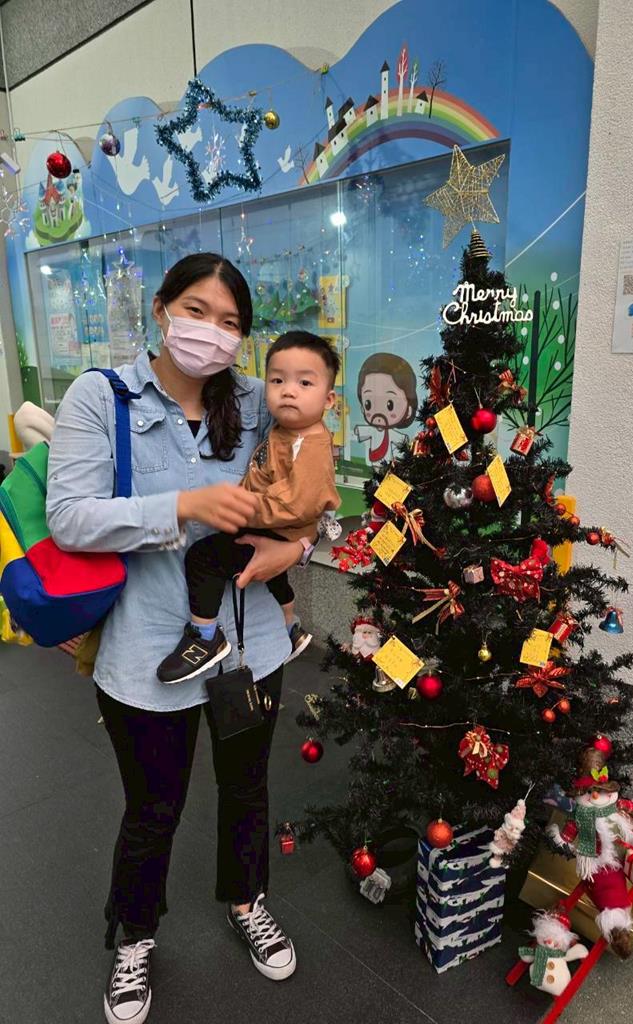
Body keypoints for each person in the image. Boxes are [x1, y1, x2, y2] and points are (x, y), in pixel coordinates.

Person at [47, 253, 314, 1024]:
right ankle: (135, 936)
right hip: (146, 653)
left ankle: (247, 899)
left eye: (230, 323)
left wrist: (298, 547)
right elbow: (71, 517)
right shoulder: (101, 397)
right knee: (153, 808)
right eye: (198, 311)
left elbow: (315, 491)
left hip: (250, 646)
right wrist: (184, 506)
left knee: (247, 786)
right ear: (162, 308)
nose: (212, 333)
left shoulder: (260, 400)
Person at [156, 330, 340, 684]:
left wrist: (241, 507)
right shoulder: (288, 430)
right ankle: (290, 626)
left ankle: (204, 637)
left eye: (304, 383)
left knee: (203, 558)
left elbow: (298, 503)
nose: (288, 391)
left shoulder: (310, 444)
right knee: (272, 573)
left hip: (275, 525)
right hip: (275, 526)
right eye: (277, 380)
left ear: (329, 399)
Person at [352, 351, 417, 464]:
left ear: (409, 411)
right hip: (374, 462)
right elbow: (360, 431)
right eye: (368, 403)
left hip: (390, 464)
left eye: (390, 405)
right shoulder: (372, 430)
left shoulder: (392, 434)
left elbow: (402, 439)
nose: (379, 413)